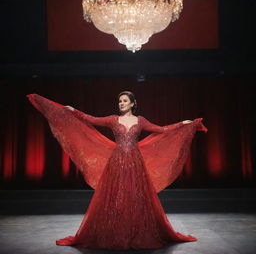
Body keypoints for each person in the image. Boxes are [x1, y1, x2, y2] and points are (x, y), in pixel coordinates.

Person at [27, 91, 207, 250]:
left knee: (135, 196)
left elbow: (162, 130)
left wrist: (183, 124)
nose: (121, 103)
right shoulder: (113, 119)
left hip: (135, 164)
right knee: (115, 197)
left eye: (124, 101)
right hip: (117, 162)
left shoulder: (140, 120)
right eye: (120, 101)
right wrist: (74, 111)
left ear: (132, 104)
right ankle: (114, 232)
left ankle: (137, 231)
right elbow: (91, 119)